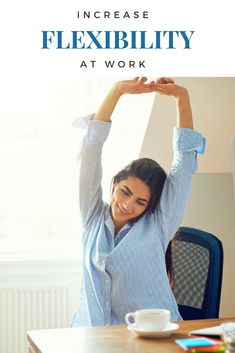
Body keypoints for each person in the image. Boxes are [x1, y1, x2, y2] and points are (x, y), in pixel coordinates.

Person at [71, 77, 205, 327]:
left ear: (150, 207)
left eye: (140, 202)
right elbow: (91, 150)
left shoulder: (159, 225)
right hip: (92, 334)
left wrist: (181, 97)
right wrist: (116, 91)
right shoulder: (93, 217)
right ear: (114, 184)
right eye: (124, 191)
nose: (127, 205)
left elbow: (183, 166)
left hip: (152, 337)